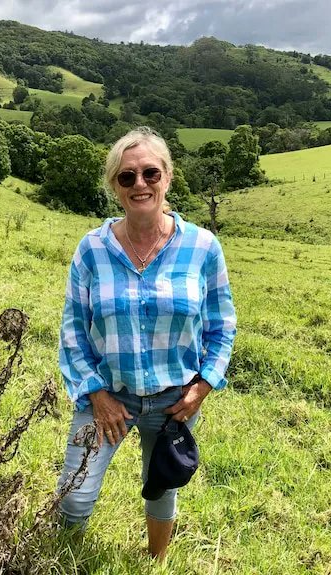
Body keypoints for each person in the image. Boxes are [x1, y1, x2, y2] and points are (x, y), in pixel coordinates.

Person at [56, 126, 237, 559]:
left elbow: (222, 324)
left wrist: (204, 385)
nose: (140, 184)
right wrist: (96, 394)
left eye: (150, 174)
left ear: (168, 178)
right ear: (114, 187)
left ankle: (156, 563)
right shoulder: (92, 249)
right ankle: (60, 561)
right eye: (127, 177)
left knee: (162, 487)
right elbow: (72, 330)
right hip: (106, 396)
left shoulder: (203, 247)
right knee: (73, 495)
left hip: (174, 399)